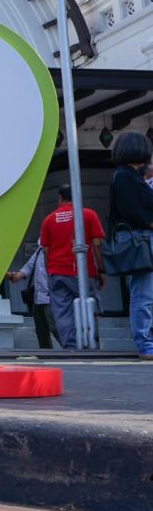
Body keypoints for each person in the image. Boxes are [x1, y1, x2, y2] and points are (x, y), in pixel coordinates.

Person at [39, 184, 106, 350]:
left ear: (60, 198)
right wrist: (101, 269)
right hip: (83, 272)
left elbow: (46, 250)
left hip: (57, 271)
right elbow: (97, 244)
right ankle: (91, 343)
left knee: (62, 312)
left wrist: (49, 272)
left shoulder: (49, 219)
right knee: (88, 306)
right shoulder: (89, 215)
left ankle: (70, 346)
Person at [107, 131, 153, 360]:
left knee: (143, 292)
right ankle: (145, 344)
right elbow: (136, 211)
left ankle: (146, 342)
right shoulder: (126, 177)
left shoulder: (126, 175)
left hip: (138, 238)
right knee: (143, 293)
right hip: (141, 238)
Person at [8, 244, 58, 349]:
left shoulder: (57, 247)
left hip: (52, 298)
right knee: (41, 332)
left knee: (56, 329)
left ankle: (71, 351)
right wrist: (12, 275)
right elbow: (28, 267)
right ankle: (46, 356)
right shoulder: (40, 249)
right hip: (38, 298)